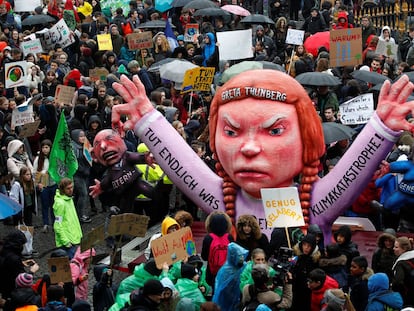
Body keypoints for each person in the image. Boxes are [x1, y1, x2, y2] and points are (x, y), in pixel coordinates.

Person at [110, 69, 414, 244]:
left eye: (274, 131)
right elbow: (183, 166)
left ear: (307, 138)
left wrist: (382, 128)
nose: (250, 148)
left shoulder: (313, 203)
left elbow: (350, 174)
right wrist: (147, 122)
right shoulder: (223, 200)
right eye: (231, 132)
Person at [53, 178, 82, 259]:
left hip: (74, 239)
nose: (71, 190)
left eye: (72, 187)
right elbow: (57, 224)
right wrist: (65, 242)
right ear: (62, 189)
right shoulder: (60, 204)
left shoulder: (69, 199)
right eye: (68, 188)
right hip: (68, 243)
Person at [33, 139, 57, 233]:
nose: (45, 149)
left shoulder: (54, 158)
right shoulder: (38, 159)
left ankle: (54, 223)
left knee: (53, 205)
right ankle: (45, 223)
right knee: (44, 205)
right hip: (44, 185)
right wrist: (38, 182)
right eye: (43, 147)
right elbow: (35, 172)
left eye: (46, 147)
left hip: (53, 184)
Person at [391, 236, 414, 306]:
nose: (393, 249)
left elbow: (398, 282)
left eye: (396, 247)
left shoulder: (401, 264)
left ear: (404, 249)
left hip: (407, 297)